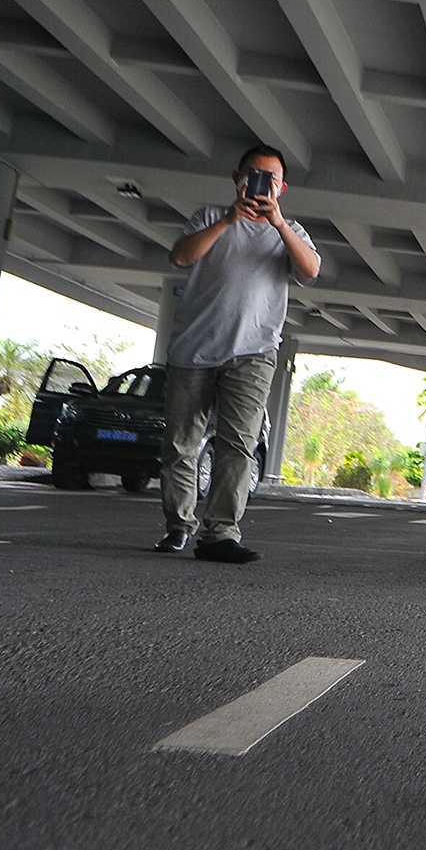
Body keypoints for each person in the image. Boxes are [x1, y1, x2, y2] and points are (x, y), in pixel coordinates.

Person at [156, 144, 320, 561]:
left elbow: (310, 271)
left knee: (239, 445)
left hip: (254, 351)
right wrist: (229, 220)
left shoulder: (290, 230)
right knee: (180, 444)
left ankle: (221, 534)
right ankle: (178, 526)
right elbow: (181, 256)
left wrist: (278, 223)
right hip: (193, 349)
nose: (260, 185)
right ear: (237, 179)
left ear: (281, 188)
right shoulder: (210, 217)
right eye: (253, 175)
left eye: (270, 179)